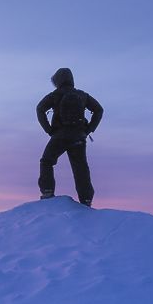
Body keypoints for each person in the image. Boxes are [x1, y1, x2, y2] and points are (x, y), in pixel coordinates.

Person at [36, 67, 103, 206]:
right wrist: (89, 129)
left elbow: (40, 108)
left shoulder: (55, 95)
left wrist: (49, 130)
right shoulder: (82, 95)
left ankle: (47, 192)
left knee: (47, 161)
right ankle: (86, 199)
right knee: (80, 168)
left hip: (59, 136)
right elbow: (99, 109)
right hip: (78, 137)